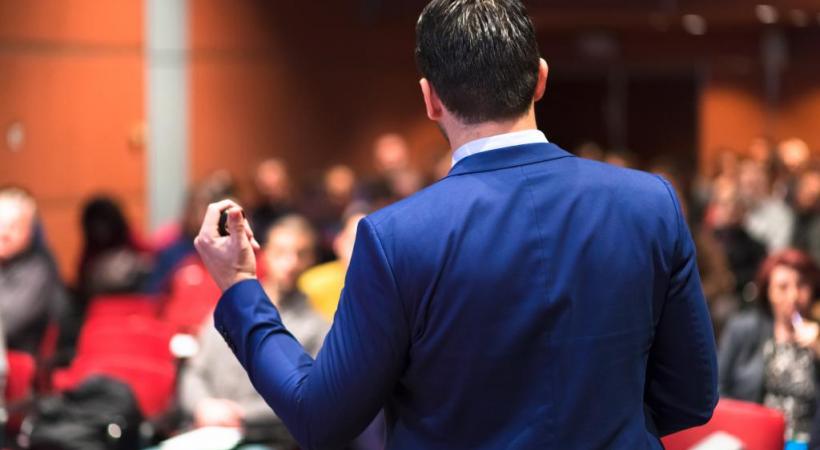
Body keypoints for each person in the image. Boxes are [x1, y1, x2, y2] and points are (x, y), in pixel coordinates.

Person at [195, 1, 718, 448]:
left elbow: (319, 417)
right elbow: (690, 398)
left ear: (430, 100)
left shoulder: (396, 237)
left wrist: (240, 288)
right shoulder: (651, 203)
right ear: (540, 78)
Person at [180, 215, 329, 449]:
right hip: (205, 430)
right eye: (281, 252)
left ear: (311, 259)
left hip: (264, 438)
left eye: (300, 254)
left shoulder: (318, 327)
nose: (290, 263)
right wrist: (203, 406)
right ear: (265, 253)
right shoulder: (232, 307)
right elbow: (195, 371)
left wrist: (239, 414)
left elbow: (309, 397)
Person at [718, 249, 820, 444]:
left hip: (805, 441)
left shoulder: (817, 333)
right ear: (768, 291)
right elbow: (719, 386)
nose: (793, 296)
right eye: (782, 287)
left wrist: (818, 347)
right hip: (752, 436)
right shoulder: (744, 329)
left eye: (802, 285)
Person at [0, 186, 68, 355]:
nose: (4, 234)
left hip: (18, 360)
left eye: (13, 226)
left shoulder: (39, 269)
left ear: (29, 231)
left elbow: (8, 323)